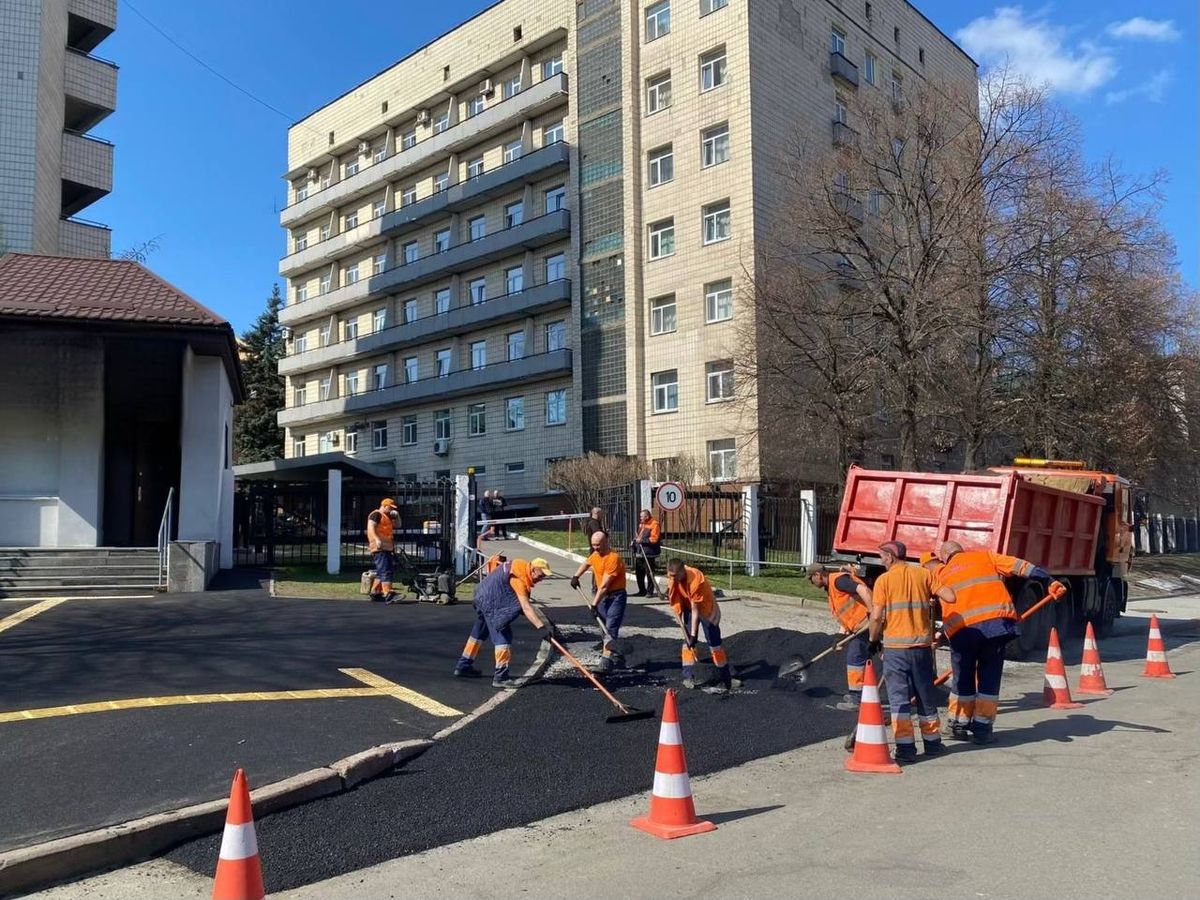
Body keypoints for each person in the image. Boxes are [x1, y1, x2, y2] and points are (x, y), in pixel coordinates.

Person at [933, 540, 1066, 744]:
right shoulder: (985, 556)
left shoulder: (941, 573)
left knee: (962, 677)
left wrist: (939, 635)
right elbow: (1023, 567)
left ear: (944, 556)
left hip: (963, 632)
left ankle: (958, 725)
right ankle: (983, 729)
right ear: (962, 550)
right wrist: (1049, 581)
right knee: (989, 677)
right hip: (997, 627)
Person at [868, 541, 955, 762]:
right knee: (926, 696)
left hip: (896, 650)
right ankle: (933, 744)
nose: (881, 561)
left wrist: (873, 640)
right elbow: (950, 596)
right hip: (921, 649)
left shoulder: (884, 581)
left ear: (889, 557)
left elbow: (876, 616)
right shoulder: (923, 575)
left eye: (882, 556)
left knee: (899, 700)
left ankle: (906, 749)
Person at [454, 557, 559, 688]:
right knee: (503, 635)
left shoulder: (518, 567)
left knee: (479, 632)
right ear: (533, 569)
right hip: (491, 603)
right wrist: (541, 628)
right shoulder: (519, 578)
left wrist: (539, 622)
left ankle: (464, 665)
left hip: (482, 596)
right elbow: (525, 607)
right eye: (541, 575)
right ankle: (501, 676)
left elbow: (521, 604)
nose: (541, 579)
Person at [808, 564, 875, 711]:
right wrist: (839, 638)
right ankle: (864, 694)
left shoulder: (839, 581)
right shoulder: (832, 588)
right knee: (864, 658)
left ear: (818, 574)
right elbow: (845, 615)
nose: (811, 583)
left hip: (866, 624)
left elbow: (863, 590)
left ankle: (856, 699)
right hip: (859, 626)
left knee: (855, 657)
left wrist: (872, 613)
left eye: (811, 579)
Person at [665, 559, 733, 691]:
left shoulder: (695, 580)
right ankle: (688, 676)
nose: (672, 578)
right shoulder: (673, 575)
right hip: (689, 607)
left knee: (715, 644)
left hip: (705, 608)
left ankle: (725, 677)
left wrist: (693, 635)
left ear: (682, 571)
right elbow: (676, 593)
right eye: (670, 575)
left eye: (675, 576)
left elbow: (696, 610)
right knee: (688, 644)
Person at [569, 531, 628, 673]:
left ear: (606, 542)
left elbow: (605, 586)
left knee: (610, 628)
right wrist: (576, 576)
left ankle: (605, 663)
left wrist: (594, 604)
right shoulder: (596, 555)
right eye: (593, 545)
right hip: (603, 598)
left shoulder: (613, 558)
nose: (595, 548)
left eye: (598, 545)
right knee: (603, 629)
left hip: (616, 597)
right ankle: (618, 657)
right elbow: (586, 563)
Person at [366, 498, 400, 602]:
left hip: (387, 547)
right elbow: (371, 528)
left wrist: (397, 515)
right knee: (386, 570)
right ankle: (388, 592)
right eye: (390, 508)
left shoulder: (388, 516)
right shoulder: (376, 514)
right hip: (379, 547)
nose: (391, 510)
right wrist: (377, 540)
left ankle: (375, 592)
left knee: (382, 571)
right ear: (385, 506)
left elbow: (398, 525)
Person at [632, 508, 663, 596]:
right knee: (639, 572)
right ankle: (642, 590)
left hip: (649, 552)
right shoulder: (642, 524)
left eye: (641, 516)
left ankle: (650, 591)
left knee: (649, 572)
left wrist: (641, 540)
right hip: (640, 551)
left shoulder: (654, 524)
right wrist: (634, 541)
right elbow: (639, 536)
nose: (640, 518)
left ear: (647, 516)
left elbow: (654, 539)